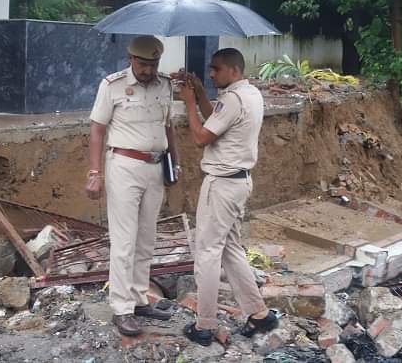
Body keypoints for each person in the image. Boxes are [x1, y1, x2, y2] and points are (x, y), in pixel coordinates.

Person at [176, 48, 278, 346]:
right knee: (231, 249)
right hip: (238, 184)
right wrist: (199, 93)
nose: (210, 74)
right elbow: (216, 120)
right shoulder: (249, 94)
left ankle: (205, 325)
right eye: (209, 69)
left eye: (216, 69)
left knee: (207, 252)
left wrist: (190, 102)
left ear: (233, 70)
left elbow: (200, 137)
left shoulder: (233, 99)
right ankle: (260, 314)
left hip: (221, 185)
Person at [87, 35, 181, 337]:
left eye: (153, 63)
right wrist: (94, 172)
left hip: (155, 167)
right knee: (124, 241)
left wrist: (175, 163)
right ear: (130, 58)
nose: (148, 69)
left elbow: (169, 127)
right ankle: (121, 308)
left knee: (146, 239)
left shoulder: (165, 84)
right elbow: (97, 130)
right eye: (143, 63)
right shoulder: (112, 85)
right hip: (124, 167)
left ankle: (140, 299)